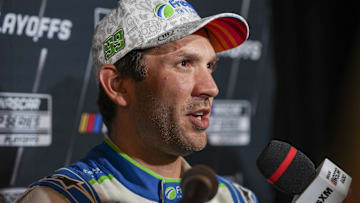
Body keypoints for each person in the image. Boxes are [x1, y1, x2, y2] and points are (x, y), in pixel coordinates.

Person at [16, 0, 257, 202]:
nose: (211, 88)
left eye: (210, 66)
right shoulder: (60, 199)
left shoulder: (234, 198)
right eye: (184, 63)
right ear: (117, 85)